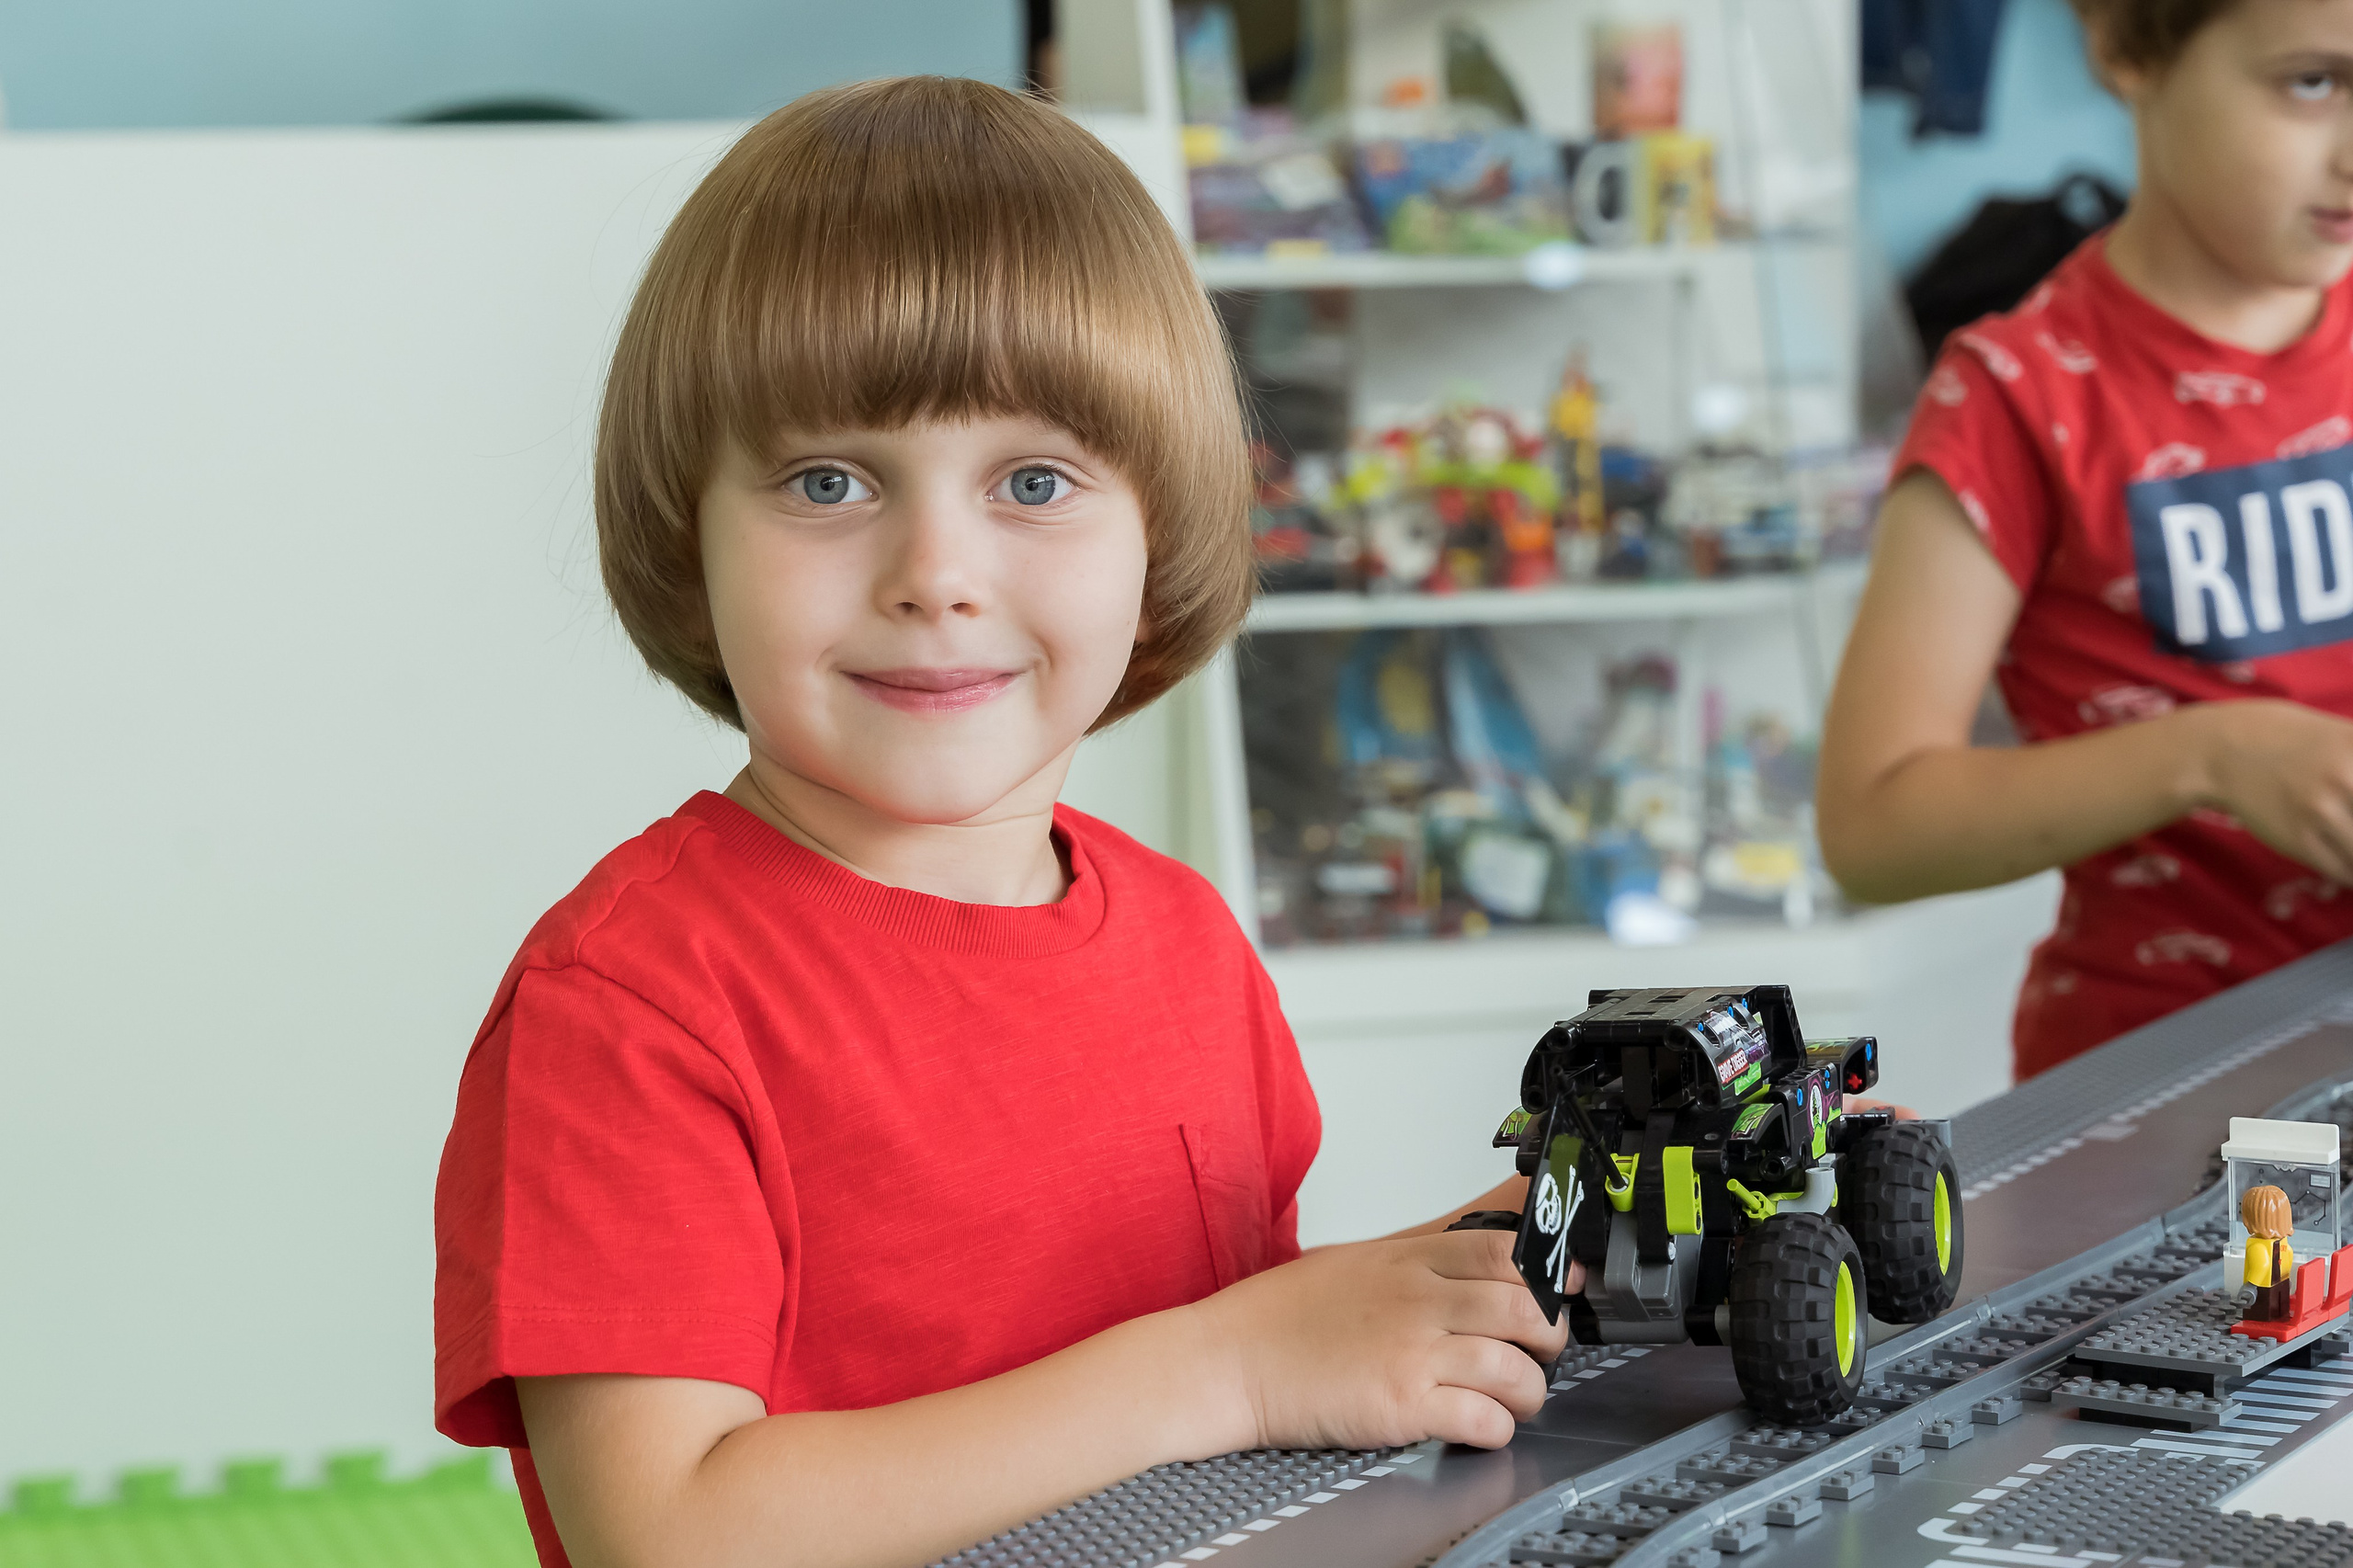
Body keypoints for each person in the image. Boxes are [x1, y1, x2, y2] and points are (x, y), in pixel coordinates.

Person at [431, 78, 1572, 1568]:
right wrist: (1234, 1365)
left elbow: (1213, 1365)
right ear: (683, 528)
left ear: (1161, 524)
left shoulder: (1185, 942)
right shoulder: (635, 1007)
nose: (937, 573)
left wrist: (1491, 1260)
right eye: (827, 480)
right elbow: (670, 1529)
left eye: (1034, 481)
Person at [1818, 0, 2353, 1081]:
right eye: (2311, 81)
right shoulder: (2012, 399)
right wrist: (2213, 752)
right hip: (2163, 1092)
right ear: (2122, 44)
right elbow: (1871, 823)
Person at [2241, 1184, 2297, 1318]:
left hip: (2262, 1290)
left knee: (2262, 1315)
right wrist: (2285, 1277)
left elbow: (2262, 1265)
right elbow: (2288, 1254)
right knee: (2279, 1311)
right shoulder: (2282, 1242)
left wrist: (2251, 1285)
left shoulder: (2258, 1245)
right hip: (2282, 1283)